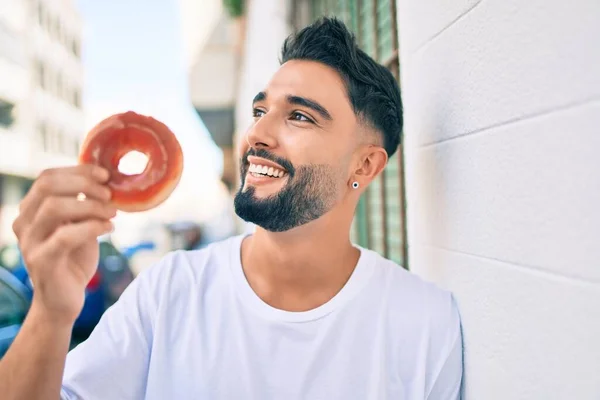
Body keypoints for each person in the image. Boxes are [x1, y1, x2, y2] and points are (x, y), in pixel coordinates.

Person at [0, 18, 463, 399]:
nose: (258, 135)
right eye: (261, 111)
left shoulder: (424, 323)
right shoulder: (168, 293)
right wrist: (52, 312)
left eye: (299, 116)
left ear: (363, 164)